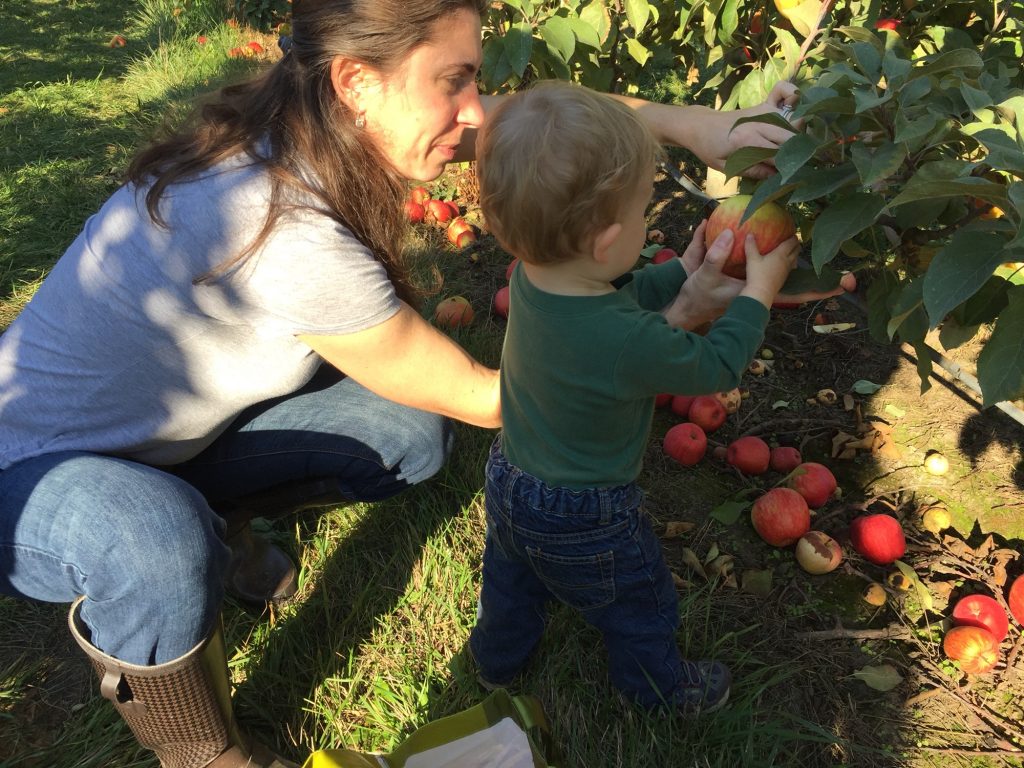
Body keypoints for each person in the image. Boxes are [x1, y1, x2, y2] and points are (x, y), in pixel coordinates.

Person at [0, 1, 828, 766]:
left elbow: (539, 126)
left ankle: (206, 519)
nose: (476, 110)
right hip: (30, 467)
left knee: (405, 434)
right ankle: (205, 749)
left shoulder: (316, 122)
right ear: (357, 81)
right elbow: (504, 396)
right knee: (153, 540)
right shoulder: (287, 232)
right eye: (456, 79)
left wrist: (698, 127)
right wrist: (679, 321)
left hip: (162, 432)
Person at [467, 80, 800, 714]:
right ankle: (656, 686)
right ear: (601, 240)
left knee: (511, 582)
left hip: (511, 478)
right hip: (587, 510)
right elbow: (718, 361)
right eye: (647, 206)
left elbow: (619, 290)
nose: (651, 218)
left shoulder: (536, 280)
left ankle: (495, 660)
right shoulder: (626, 341)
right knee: (640, 599)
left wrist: (684, 271)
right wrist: (758, 292)